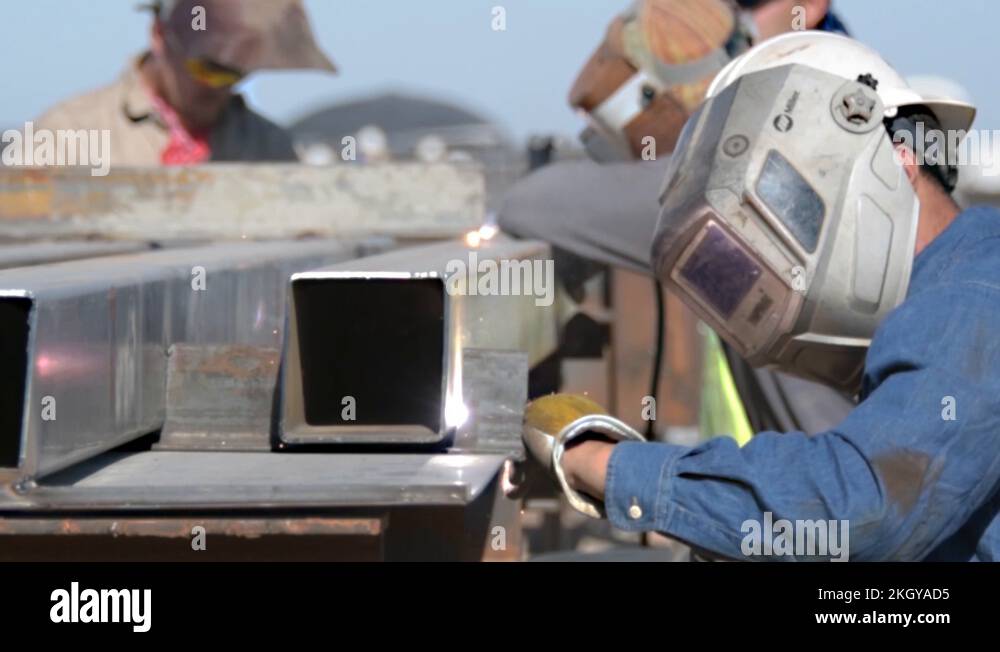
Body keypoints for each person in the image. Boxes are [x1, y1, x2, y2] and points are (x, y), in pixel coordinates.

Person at [530, 31, 999, 561]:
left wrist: (595, 463)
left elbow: (855, 512)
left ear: (899, 159)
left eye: (795, 199)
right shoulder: (948, 295)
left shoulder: (973, 301)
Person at [498, 0, 854, 438]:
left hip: (838, 490)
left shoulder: (721, 183)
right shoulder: (812, 136)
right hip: (849, 476)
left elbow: (528, 204)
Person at [34, 0, 336, 166]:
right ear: (159, 35)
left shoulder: (269, 149)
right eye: (206, 67)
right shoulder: (66, 137)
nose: (218, 86)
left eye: (234, 72)